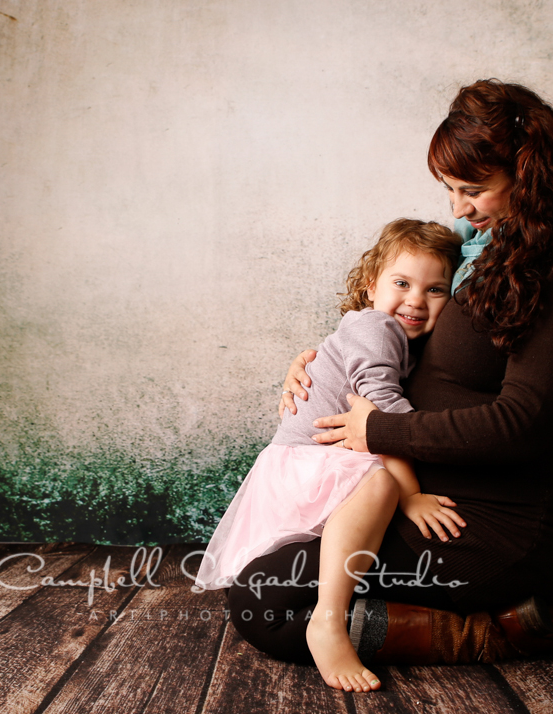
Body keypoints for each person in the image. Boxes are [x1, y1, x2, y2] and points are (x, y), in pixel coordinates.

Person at [227, 79, 553, 680]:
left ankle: (490, 632)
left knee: (263, 599)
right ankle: (493, 619)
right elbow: (415, 336)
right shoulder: (486, 252)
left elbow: (523, 424)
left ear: (531, 175)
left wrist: (377, 429)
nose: (458, 209)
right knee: (263, 569)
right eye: (450, 190)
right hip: (430, 503)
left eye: (473, 190)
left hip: (500, 529)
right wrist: (322, 361)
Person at [195, 219, 466, 692]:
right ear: (370, 287)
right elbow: (384, 416)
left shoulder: (389, 335)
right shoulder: (377, 325)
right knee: (381, 484)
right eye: (401, 283)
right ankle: (327, 619)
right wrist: (413, 497)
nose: (416, 300)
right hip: (311, 462)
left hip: (314, 461)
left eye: (436, 289)